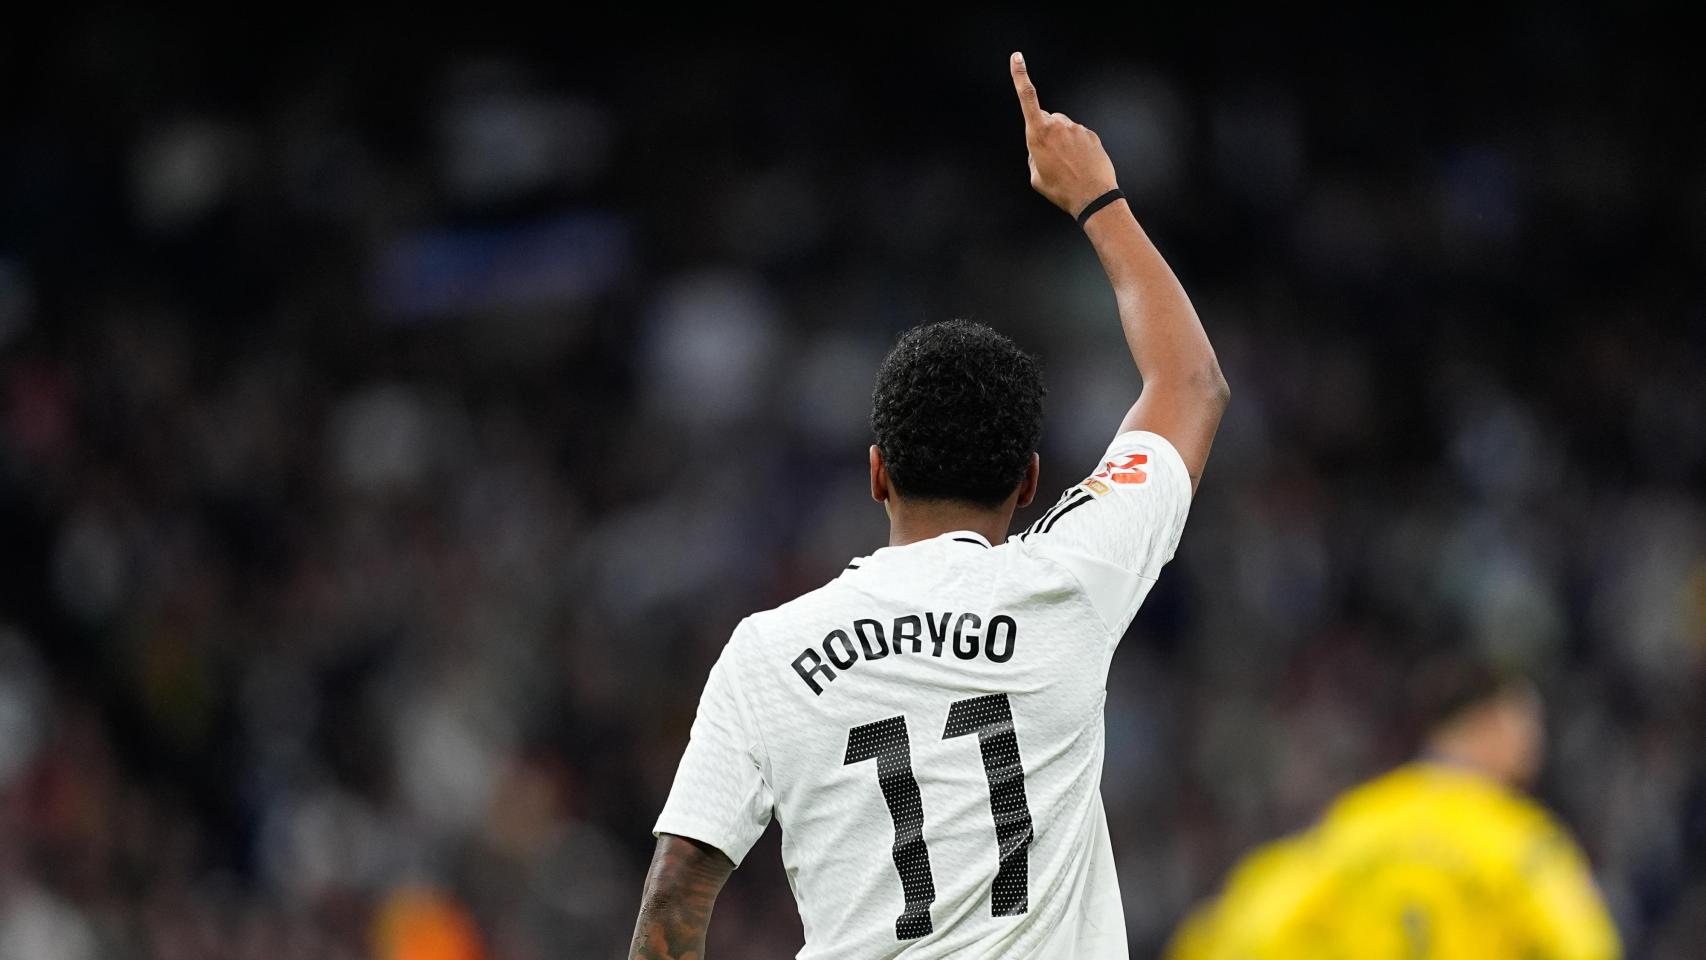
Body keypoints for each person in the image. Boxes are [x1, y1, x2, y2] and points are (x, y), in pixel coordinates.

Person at [628, 51, 1229, 959]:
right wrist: (1098, 200)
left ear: (877, 474)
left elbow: (675, 896)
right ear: (1029, 482)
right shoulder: (1069, 581)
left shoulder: (768, 654)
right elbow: (1190, 384)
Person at [1165, 660, 1622, 960]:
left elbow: (1249, 929)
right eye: (1525, 723)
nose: (1535, 743)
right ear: (1488, 723)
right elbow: (1583, 944)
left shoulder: (1360, 819)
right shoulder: (1519, 842)